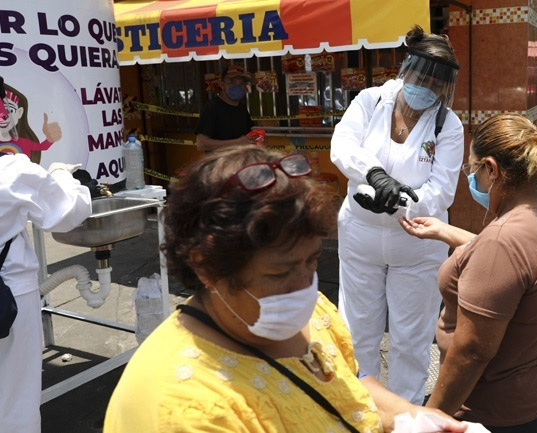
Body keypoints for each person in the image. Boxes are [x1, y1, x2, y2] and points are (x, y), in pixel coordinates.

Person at [103, 146, 465, 433]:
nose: (304, 286)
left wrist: (409, 415)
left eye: (311, 261)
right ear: (206, 266)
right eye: (280, 272)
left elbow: (345, 379)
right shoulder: (184, 409)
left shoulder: (309, 311)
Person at [399, 114, 537, 433]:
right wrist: (445, 231)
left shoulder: (502, 242)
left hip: (494, 412)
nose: (471, 179)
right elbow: (519, 263)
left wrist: (430, 419)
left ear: (492, 169)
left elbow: (471, 352)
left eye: (473, 169)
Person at [330, 25, 464, 405]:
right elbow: (342, 144)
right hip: (361, 238)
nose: (425, 90)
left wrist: (399, 201)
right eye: (421, 78)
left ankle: (406, 413)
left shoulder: (447, 124)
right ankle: (361, 408)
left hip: (418, 245)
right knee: (357, 332)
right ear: (407, 69)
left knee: (411, 339)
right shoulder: (370, 101)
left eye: (435, 85)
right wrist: (373, 174)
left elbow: (441, 191)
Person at [0, 152, 91, 433]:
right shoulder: (12, 170)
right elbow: (69, 211)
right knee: (16, 397)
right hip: (10, 296)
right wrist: (61, 173)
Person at [194, 64, 258, 152]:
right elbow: (201, 144)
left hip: (239, 159)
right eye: (232, 81)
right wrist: (237, 143)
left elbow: (247, 136)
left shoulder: (241, 107)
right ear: (221, 84)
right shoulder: (212, 107)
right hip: (220, 160)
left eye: (242, 83)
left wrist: (257, 140)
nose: (237, 86)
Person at [0, 78, 63, 161]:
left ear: (19, 112)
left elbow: (42, 147)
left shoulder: (23, 142)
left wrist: (50, 139)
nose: (3, 117)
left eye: (10, 110)